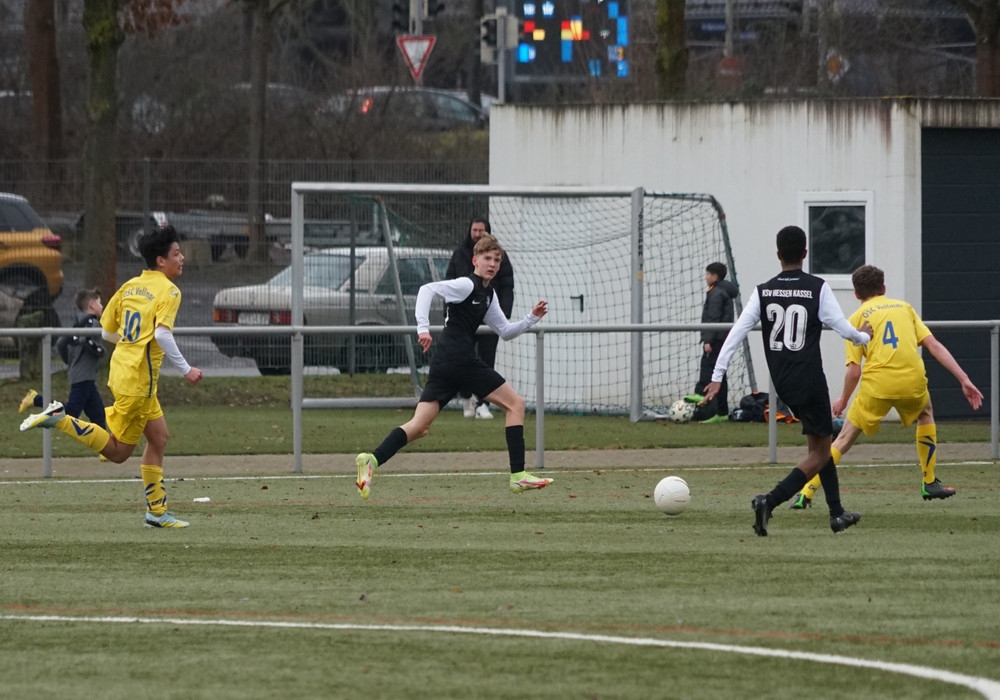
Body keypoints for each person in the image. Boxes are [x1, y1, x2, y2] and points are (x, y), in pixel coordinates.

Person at [20, 225, 204, 528]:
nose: (181, 258)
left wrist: (131, 344)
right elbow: (162, 334)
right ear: (161, 260)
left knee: (159, 438)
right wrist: (187, 369)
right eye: (176, 253)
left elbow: (106, 331)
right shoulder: (170, 291)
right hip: (138, 383)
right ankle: (59, 418)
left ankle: (156, 512)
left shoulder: (131, 286)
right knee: (118, 453)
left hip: (124, 372)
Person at [702, 225, 873, 536]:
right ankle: (769, 500)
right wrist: (864, 337)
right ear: (805, 253)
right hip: (809, 377)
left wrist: (717, 375)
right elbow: (842, 327)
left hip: (783, 382)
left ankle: (837, 513)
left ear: (778, 255)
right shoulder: (817, 287)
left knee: (820, 442)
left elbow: (737, 332)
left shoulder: (763, 291)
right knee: (820, 452)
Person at [356, 234, 550, 499]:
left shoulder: (488, 294)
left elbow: (504, 331)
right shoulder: (466, 285)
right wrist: (422, 328)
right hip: (459, 359)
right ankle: (518, 476)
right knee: (516, 404)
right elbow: (426, 289)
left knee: (420, 426)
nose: (492, 264)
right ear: (475, 260)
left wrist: (531, 318)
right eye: (487, 258)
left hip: (445, 361)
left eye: (497, 260)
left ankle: (372, 460)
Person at [790, 265, 983, 509]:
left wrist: (843, 399)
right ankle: (929, 481)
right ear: (883, 288)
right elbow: (934, 346)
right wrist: (964, 379)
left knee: (844, 438)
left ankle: (806, 492)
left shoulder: (855, 320)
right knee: (925, 413)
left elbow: (854, 371)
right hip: (912, 381)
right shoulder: (904, 308)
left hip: (877, 386)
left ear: (856, 294)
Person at [446, 216, 514, 420]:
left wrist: (504, 315)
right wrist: (447, 315)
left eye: (481, 231)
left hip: (488, 320)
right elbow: (445, 286)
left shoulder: (499, 260)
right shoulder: (459, 255)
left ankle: (484, 403)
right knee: (462, 359)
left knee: (487, 361)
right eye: (474, 230)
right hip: (464, 322)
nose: (477, 234)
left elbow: (507, 286)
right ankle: (466, 397)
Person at [19, 288, 108, 431]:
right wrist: (101, 351)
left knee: (98, 415)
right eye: (100, 302)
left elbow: (61, 343)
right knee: (71, 411)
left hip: (84, 375)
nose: (102, 306)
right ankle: (36, 399)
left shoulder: (77, 323)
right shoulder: (93, 324)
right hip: (83, 376)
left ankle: (105, 445)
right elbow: (87, 341)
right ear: (92, 305)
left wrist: (70, 362)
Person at [685, 261, 738, 423]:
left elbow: (713, 318)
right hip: (721, 338)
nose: (705, 277)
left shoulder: (716, 293)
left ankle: (701, 392)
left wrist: (708, 340)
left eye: (707, 274)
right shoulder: (722, 291)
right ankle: (721, 413)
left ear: (715, 277)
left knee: (709, 367)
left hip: (716, 339)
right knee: (720, 374)